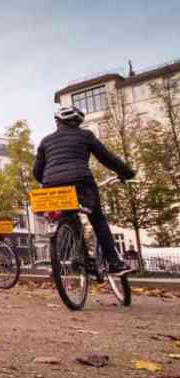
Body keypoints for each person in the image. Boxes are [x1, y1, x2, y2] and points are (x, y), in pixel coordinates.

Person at [33, 105, 135, 275]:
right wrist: (126, 172)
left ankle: (79, 262)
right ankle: (114, 262)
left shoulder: (45, 141)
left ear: (58, 122)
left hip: (52, 186)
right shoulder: (85, 135)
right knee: (97, 219)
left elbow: (37, 172)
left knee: (67, 219)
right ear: (77, 123)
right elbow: (106, 157)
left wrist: (49, 181)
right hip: (81, 182)